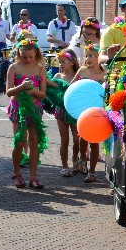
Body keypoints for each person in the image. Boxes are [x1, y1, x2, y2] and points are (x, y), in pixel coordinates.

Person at [5, 37, 48, 189]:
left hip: (34, 109)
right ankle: (17, 173)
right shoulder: (14, 68)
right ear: (18, 54)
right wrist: (21, 87)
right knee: (19, 140)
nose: (28, 60)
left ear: (36, 54)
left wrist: (33, 91)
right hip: (18, 108)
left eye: (31, 56)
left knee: (34, 142)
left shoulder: (41, 68)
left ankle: (33, 177)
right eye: (24, 57)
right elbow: (9, 92)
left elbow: (43, 94)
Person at [72, 45, 106, 182]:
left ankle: (92, 172)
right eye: (86, 55)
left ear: (99, 58)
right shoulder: (82, 71)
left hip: (98, 113)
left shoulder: (105, 74)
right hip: (82, 111)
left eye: (91, 55)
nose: (87, 58)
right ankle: (82, 159)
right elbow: (72, 87)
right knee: (82, 138)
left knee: (94, 142)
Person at [47, 49, 80, 177]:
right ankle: (65, 166)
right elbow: (50, 90)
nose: (61, 64)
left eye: (64, 62)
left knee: (77, 139)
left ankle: (75, 161)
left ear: (72, 62)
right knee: (64, 140)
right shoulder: (57, 77)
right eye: (59, 62)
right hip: (61, 111)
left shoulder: (78, 76)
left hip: (74, 111)